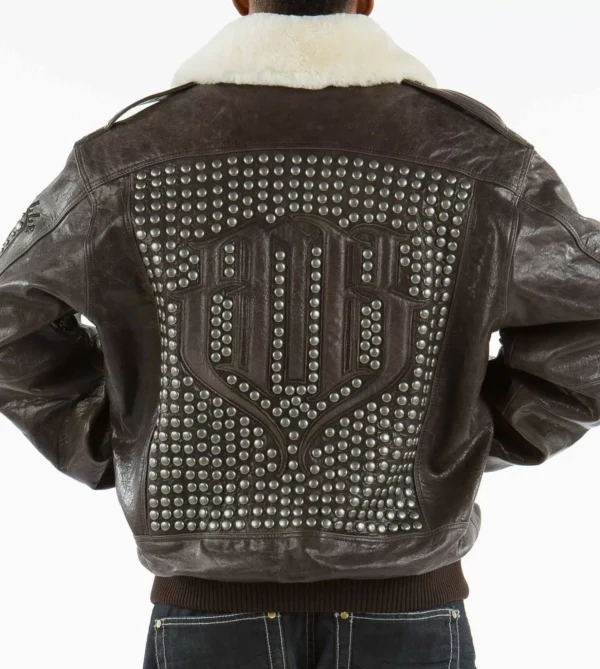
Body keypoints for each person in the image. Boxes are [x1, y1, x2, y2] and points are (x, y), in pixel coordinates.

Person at [1, 0, 599, 667]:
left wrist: (115, 441)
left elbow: (9, 318)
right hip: (408, 607)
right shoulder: (484, 164)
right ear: (365, 0)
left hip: (207, 611)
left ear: (241, 0)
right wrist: (458, 442)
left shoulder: (123, 161)